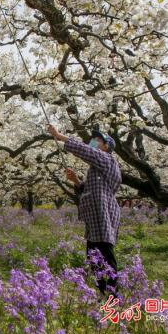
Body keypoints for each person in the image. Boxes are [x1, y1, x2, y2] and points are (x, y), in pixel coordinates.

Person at [47, 125, 121, 295]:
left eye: (98, 140)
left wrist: (59, 136)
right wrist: (77, 182)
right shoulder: (96, 169)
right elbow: (90, 190)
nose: (93, 142)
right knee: (93, 257)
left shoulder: (107, 160)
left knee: (105, 255)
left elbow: (85, 151)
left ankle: (113, 296)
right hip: (95, 219)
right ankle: (103, 293)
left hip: (104, 217)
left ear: (106, 147)